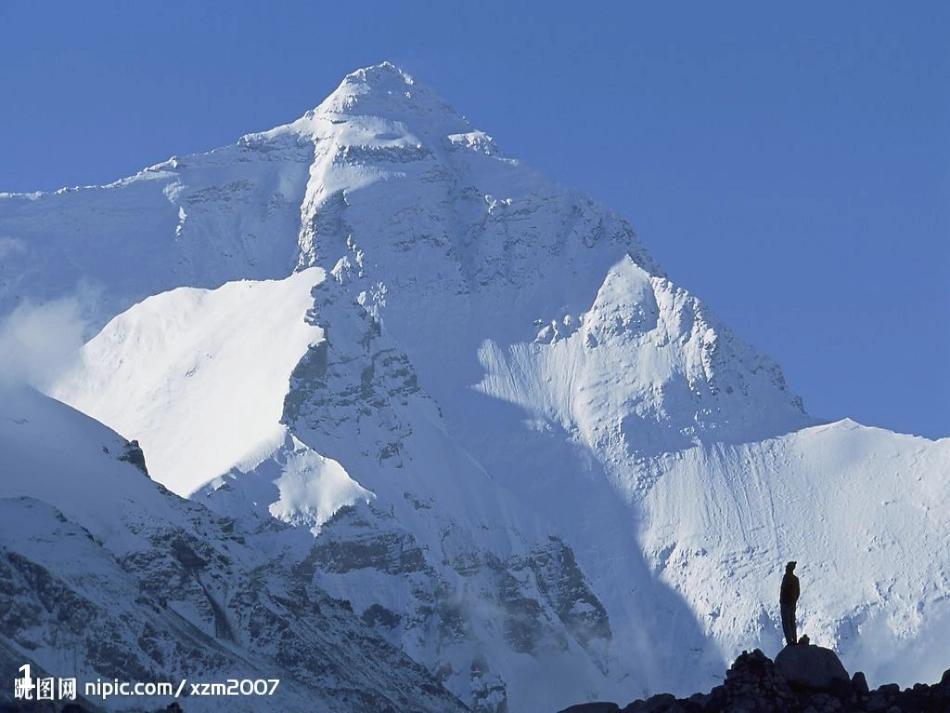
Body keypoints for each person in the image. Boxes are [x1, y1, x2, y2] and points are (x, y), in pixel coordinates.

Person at [780, 561, 800, 646]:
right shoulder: (796, 579)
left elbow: (784, 591)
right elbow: (798, 592)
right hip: (792, 604)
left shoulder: (786, 578)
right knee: (792, 622)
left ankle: (789, 641)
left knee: (786, 622)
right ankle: (794, 639)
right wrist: (794, 601)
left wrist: (783, 601)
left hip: (785, 604)